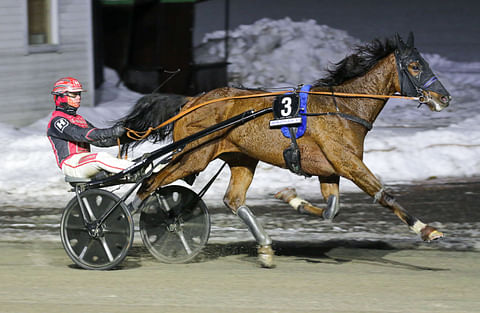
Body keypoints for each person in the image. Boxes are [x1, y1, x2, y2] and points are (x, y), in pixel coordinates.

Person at [47, 77, 134, 179]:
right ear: (60, 97)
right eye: (74, 94)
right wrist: (112, 131)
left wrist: (126, 137)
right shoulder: (57, 121)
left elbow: (100, 141)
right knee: (101, 157)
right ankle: (134, 169)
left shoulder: (79, 119)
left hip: (84, 161)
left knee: (111, 158)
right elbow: (81, 134)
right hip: (71, 164)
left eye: (79, 94)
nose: (78, 98)